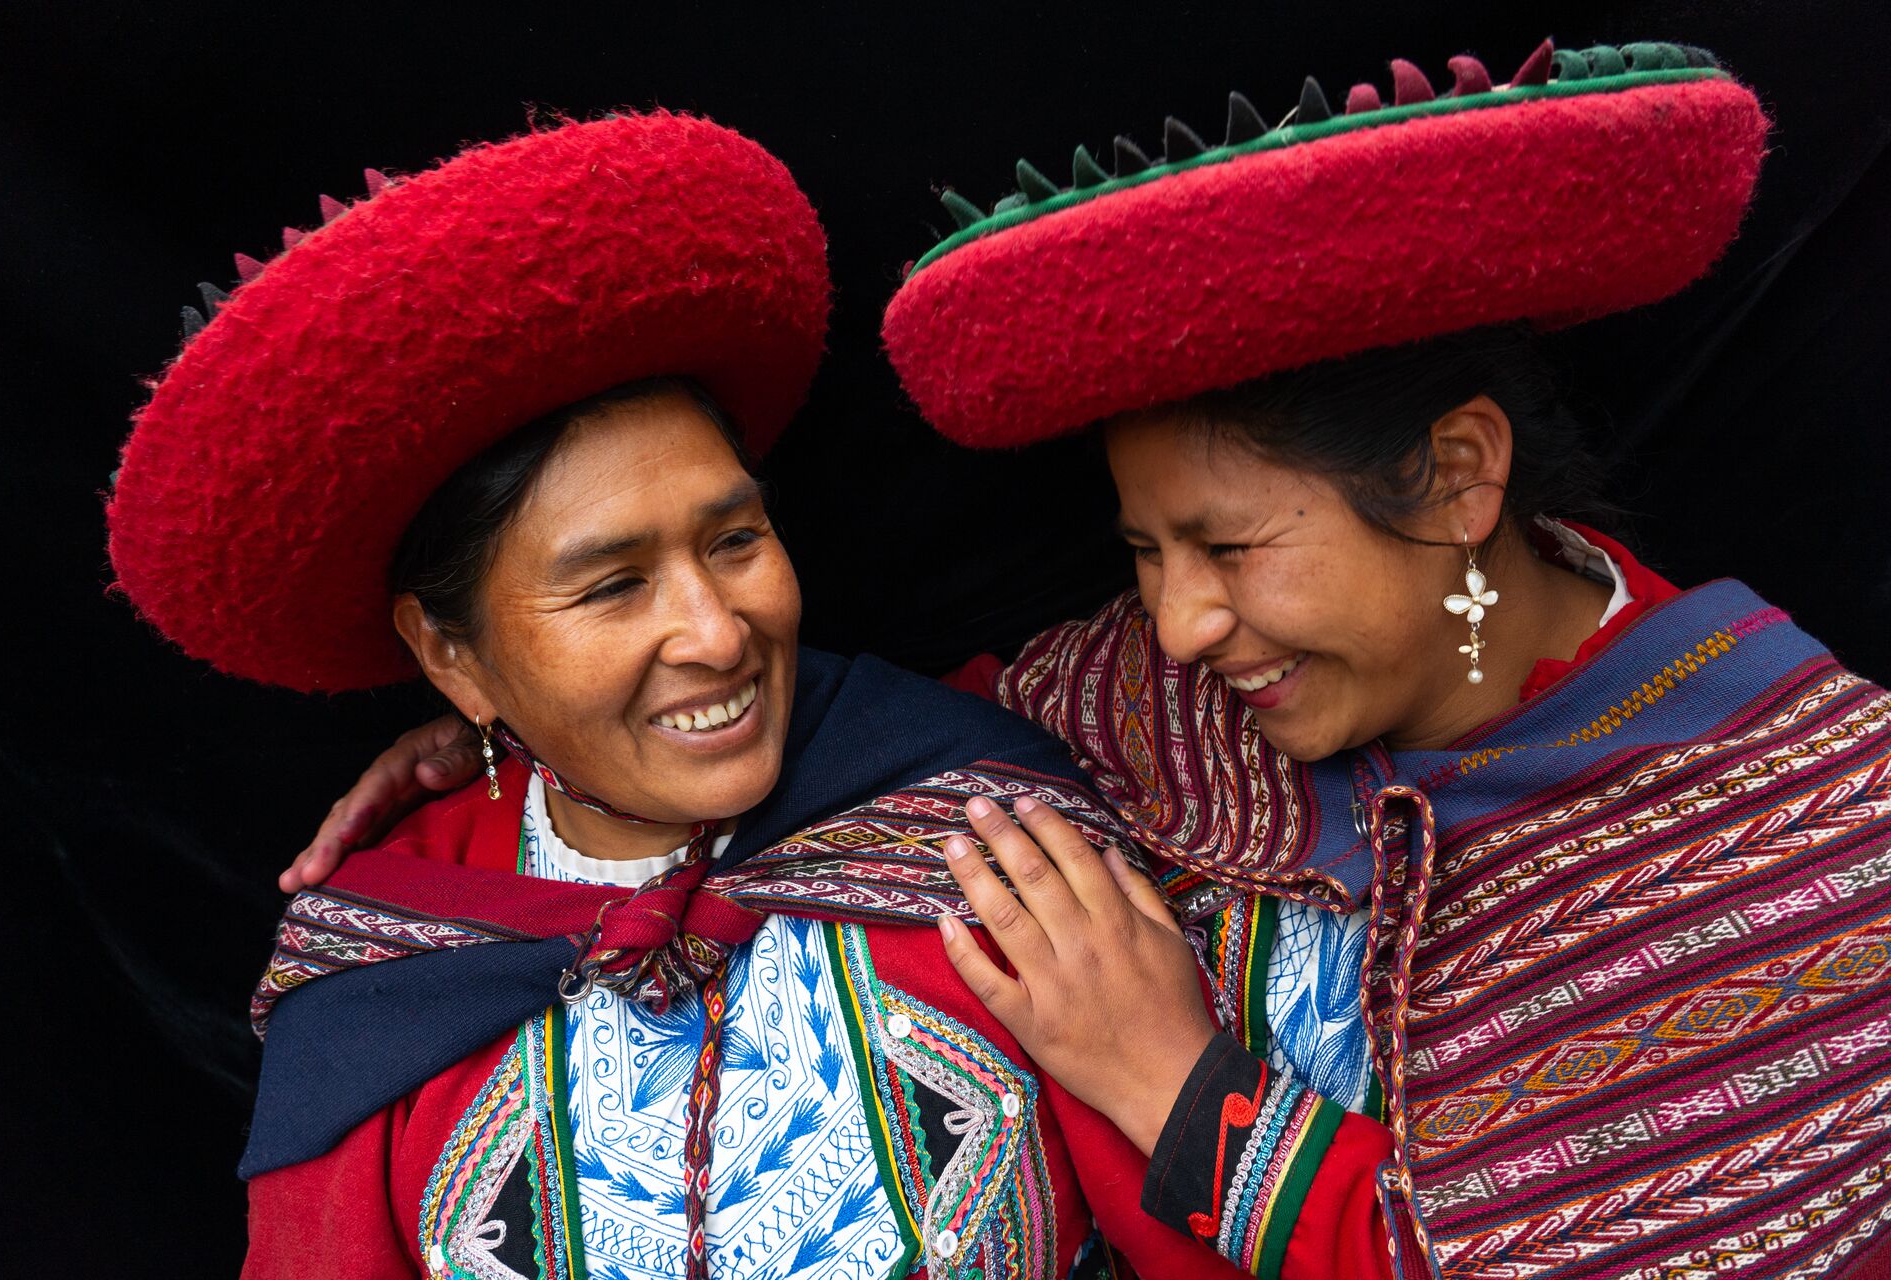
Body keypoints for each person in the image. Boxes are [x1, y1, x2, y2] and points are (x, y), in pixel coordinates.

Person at [313, 38, 1891, 1279]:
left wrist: (1182, 1087)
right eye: (1143, 557)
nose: (1181, 623)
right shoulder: (1149, 702)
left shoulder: (1808, 826)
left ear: (1464, 477)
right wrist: (510, 730)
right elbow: (873, 742)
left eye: (1226, 547)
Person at [109, 111, 1332, 1280]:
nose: (714, 630)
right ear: (451, 656)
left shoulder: (995, 841)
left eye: (736, 539)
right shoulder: (379, 977)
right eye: (612, 588)